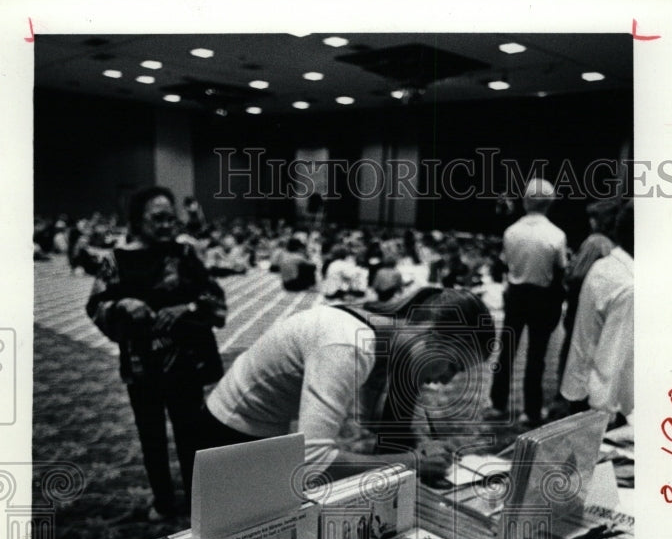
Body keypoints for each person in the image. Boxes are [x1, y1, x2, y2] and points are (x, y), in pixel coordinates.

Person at [198, 285, 494, 484]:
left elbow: (368, 421)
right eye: (453, 366)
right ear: (431, 334)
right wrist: (413, 462)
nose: (445, 381)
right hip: (226, 439)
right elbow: (312, 463)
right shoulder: (349, 345)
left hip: (250, 431)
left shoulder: (377, 335)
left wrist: (420, 448)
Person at [86, 186, 227, 520]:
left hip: (186, 362)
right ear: (137, 221)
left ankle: (198, 499)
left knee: (191, 432)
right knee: (151, 435)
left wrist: (187, 307)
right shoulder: (115, 259)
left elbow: (214, 297)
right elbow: (95, 305)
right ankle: (163, 500)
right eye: (157, 219)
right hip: (142, 364)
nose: (166, 226)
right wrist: (122, 303)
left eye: (170, 218)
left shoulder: (185, 254)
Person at [487, 178, 568, 427]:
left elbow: (504, 263)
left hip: (516, 295)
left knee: (507, 351)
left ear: (525, 201)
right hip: (542, 299)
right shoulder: (557, 235)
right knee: (536, 356)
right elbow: (560, 270)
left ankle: (498, 404)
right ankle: (531, 411)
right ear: (550, 204)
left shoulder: (510, 232)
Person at [554, 201, 634, 423]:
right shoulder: (629, 285)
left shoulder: (605, 265)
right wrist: (604, 419)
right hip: (601, 404)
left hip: (580, 386)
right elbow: (612, 358)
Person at [557, 199, 617, 382]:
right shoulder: (613, 245)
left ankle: (563, 400)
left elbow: (577, 276)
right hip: (601, 312)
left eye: (593, 218)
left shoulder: (595, 242)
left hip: (581, 309)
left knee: (570, 354)